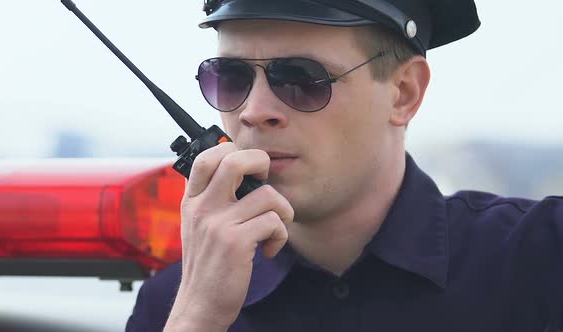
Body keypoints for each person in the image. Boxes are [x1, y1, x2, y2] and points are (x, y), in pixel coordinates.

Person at [126, 0, 563, 331]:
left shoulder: (542, 260)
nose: (254, 111)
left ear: (404, 92)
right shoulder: (173, 304)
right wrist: (196, 318)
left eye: (300, 79)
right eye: (231, 77)